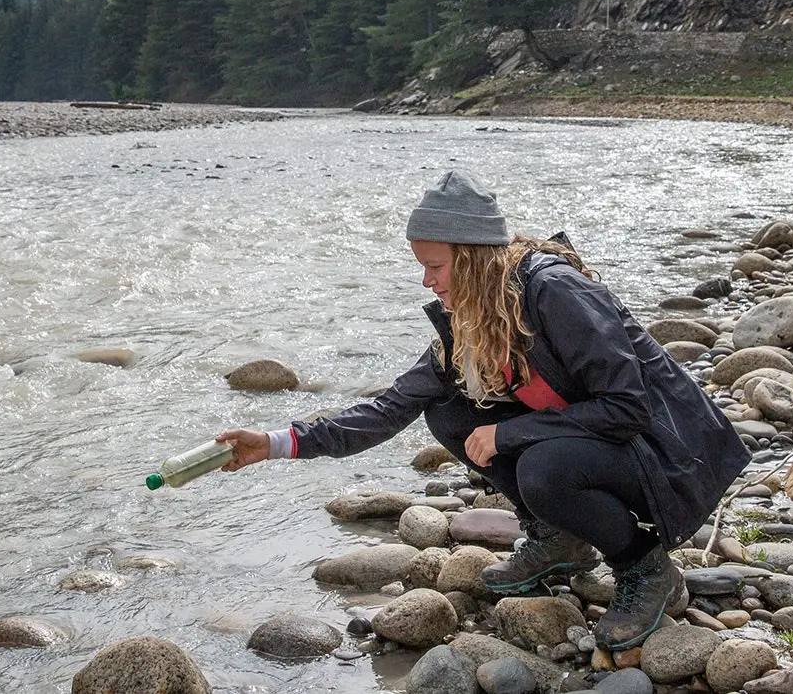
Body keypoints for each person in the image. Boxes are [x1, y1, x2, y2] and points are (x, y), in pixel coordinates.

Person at [217, 170, 751, 650]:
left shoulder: (555, 291)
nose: (427, 281)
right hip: (604, 442)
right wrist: (276, 443)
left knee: (543, 467)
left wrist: (513, 432)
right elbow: (392, 405)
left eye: (435, 266)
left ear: (471, 257)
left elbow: (628, 408)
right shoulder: (475, 316)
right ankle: (558, 539)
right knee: (448, 414)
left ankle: (644, 565)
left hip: (665, 455)